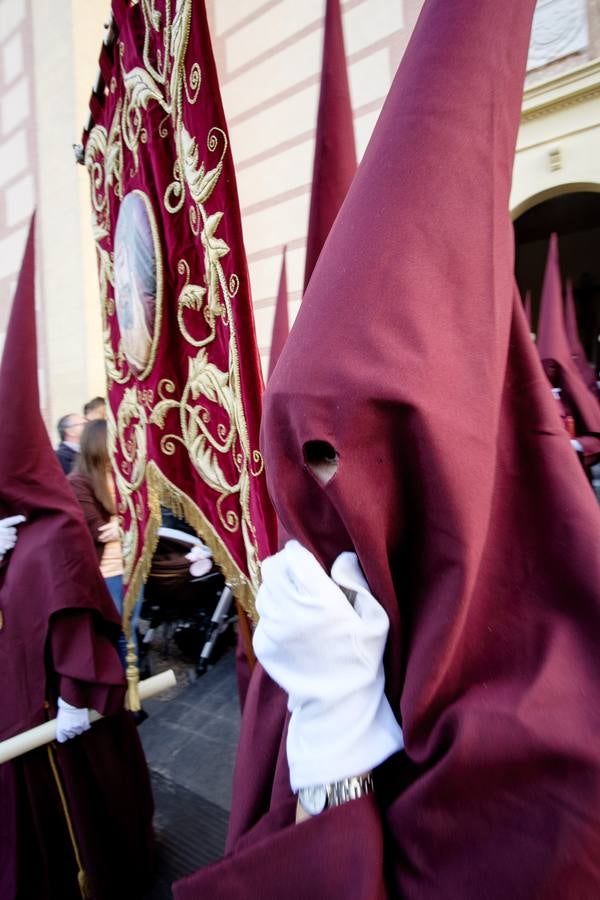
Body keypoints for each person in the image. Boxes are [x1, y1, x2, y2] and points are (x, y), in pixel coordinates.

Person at [174, 1, 600, 897]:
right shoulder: (316, 633)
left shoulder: (566, 738)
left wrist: (338, 777)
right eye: (296, 453)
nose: (315, 495)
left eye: (332, 449)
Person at [1, 219, 154, 900]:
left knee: (93, 821)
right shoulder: (20, 530)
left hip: (67, 713)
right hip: (23, 707)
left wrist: (74, 694)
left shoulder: (57, 526)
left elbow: (72, 619)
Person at [69, 418, 143, 666]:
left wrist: (122, 521)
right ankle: (121, 691)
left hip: (132, 564)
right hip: (108, 570)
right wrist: (127, 519)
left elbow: (144, 513)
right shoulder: (79, 482)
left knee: (130, 629)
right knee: (117, 632)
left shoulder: (122, 475)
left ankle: (131, 687)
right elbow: (99, 532)